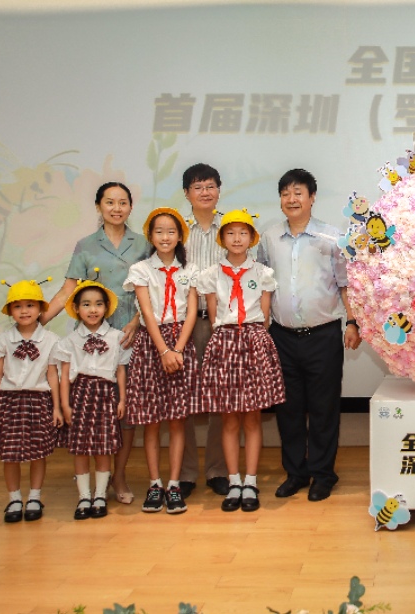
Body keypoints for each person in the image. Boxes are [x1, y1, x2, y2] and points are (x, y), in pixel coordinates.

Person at [41, 182, 150, 505]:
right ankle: (91, 484)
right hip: (90, 343)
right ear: (98, 206)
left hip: (130, 337)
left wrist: (138, 320)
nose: (116, 208)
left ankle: (119, 476)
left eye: (123, 202)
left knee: (125, 414)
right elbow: (67, 290)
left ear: (131, 207)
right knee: (93, 413)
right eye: (110, 202)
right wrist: (36, 322)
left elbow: (152, 289)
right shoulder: (86, 245)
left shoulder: (143, 244)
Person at [260, 169, 361, 503]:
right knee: (287, 409)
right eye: (285, 193)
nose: (291, 199)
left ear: (312, 197)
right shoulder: (269, 237)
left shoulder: (332, 238)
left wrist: (352, 322)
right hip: (281, 336)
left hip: (323, 335)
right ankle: (296, 473)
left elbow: (346, 284)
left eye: (298, 193)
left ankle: (322, 474)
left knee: (323, 408)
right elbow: (261, 284)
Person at [196, 208, 286, 513]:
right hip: (224, 342)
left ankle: (251, 481)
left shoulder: (262, 273)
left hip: (253, 340)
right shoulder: (211, 274)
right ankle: (233, 480)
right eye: (231, 233)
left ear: (252, 238)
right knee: (229, 419)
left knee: (252, 418)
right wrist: (227, 342)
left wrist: (251, 341)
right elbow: (213, 315)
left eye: (243, 233)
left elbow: (265, 316)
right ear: (222, 238)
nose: (237, 238)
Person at [123, 208, 201, 515]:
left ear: (180, 236)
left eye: (171, 231)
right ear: (150, 235)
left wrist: (178, 350)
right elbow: (146, 312)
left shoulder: (190, 270)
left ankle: (174, 484)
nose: (165, 237)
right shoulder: (141, 269)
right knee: (152, 420)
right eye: (159, 231)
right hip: (151, 344)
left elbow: (192, 312)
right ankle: (154, 483)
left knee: (178, 419)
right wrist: (164, 351)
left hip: (181, 342)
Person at [0, 279, 63, 523]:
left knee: (38, 453)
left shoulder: (51, 340)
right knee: (10, 455)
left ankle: (35, 497)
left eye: (30, 305)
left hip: (39, 401)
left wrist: (57, 407)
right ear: (10, 311)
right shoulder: (3, 340)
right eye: (17, 306)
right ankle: (15, 498)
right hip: (9, 402)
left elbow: (53, 375)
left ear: (40, 309)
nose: (24, 311)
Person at [55, 278, 131, 520]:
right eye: (86, 304)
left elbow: (121, 371)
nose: (93, 309)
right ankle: (84, 496)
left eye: (98, 304)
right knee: (80, 450)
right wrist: (65, 405)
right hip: (80, 395)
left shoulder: (117, 337)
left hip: (106, 395)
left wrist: (122, 400)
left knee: (103, 448)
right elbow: (64, 376)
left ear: (106, 308)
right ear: (76, 308)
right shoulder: (69, 341)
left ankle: (100, 495)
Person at [179, 164, 230, 497]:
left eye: (210, 186)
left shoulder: (233, 228)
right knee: (182, 397)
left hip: (222, 323)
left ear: (219, 190)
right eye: (197, 187)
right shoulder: (176, 230)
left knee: (221, 397)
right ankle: (185, 472)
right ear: (187, 194)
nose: (205, 192)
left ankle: (217, 469)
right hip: (184, 323)